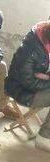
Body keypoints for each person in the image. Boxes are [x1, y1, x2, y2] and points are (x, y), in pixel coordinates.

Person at [5, 21, 50, 151]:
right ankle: (44, 138)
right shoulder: (31, 48)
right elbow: (28, 82)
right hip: (22, 91)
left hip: (40, 84)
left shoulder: (46, 42)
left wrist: (47, 77)